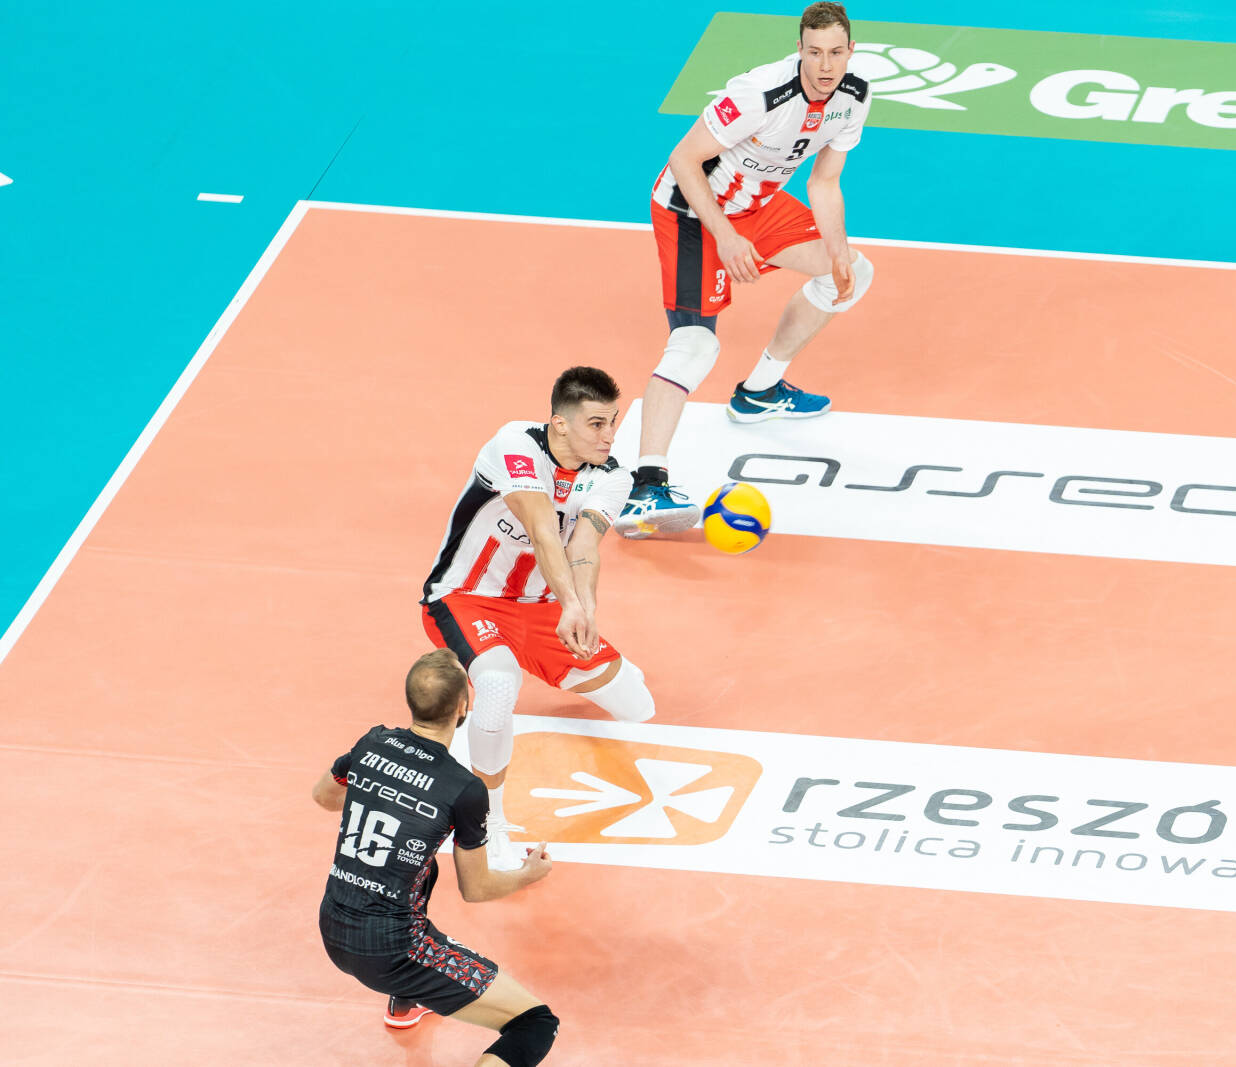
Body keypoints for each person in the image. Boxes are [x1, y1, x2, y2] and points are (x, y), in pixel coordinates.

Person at [616, 1, 875, 538]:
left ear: (851, 51)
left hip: (757, 205)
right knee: (695, 345)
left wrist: (838, 250)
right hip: (693, 211)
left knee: (852, 272)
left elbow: (824, 182)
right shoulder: (759, 94)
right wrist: (726, 236)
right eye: (814, 52)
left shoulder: (853, 96)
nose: (825, 65)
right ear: (799, 50)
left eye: (835, 53)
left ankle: (759, 391)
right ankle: (645, 488)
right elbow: (684, 160)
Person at [420, 366, 656, 870]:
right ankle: (486, 826)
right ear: (560, 423)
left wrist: (583, 610)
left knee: (638, 707)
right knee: (498, 684)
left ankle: (555, 668)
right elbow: (544, 529)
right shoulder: (516, 445)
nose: (609, 436)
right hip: (467, 597)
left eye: (612, 422)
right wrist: (571, 604)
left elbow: (584, 546)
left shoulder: (613, 475)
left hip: (543, 607)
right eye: (597, 424)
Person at [313, 649, 560, 1064]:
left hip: (333, 927)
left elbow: (323, 796)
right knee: (535, 1023)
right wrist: (528, 874)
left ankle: (404, 1001)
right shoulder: (463, 788)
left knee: (419, 870)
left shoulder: (372, 743)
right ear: (463, 707)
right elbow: (476, 889)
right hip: (395, 950)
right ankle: (408, 982)